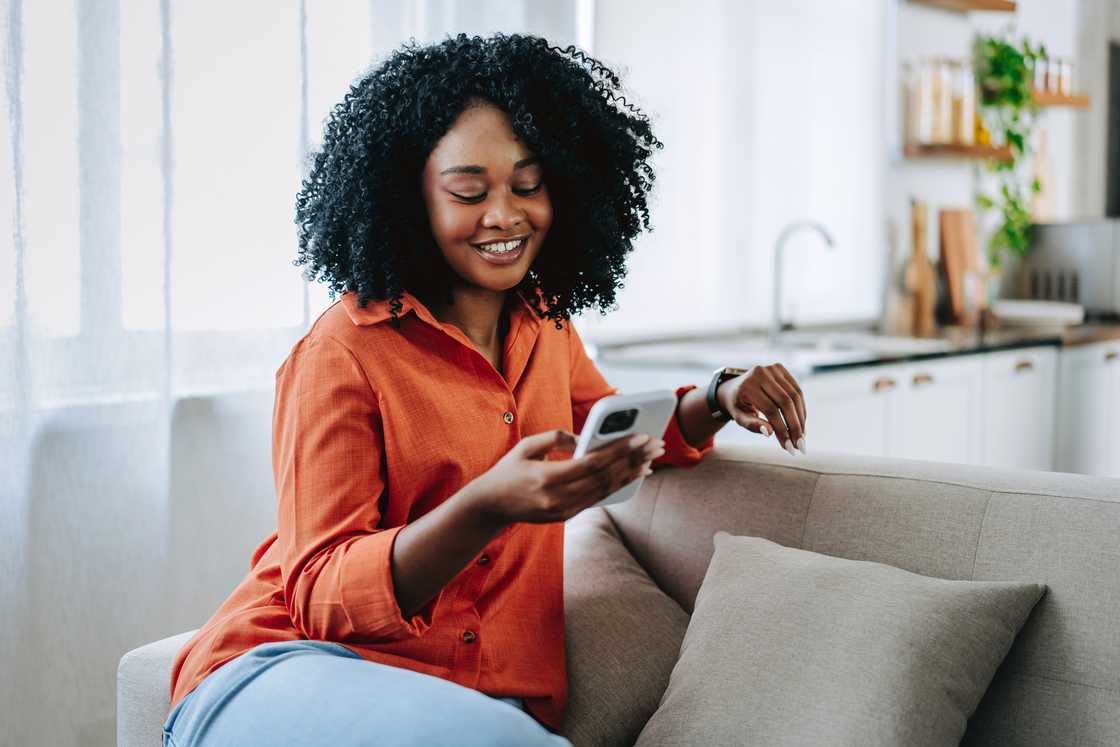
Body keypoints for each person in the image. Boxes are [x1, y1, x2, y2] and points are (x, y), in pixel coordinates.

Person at [163, 32, 807, 746]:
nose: (505, 214)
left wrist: (719, 396)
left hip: (476, 705)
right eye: (470, 191)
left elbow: (620, 429)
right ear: (410, 198)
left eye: (528, 186)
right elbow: (319, 595)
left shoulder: (546, 330)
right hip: (288, 666)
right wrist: (485, 507)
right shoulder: (342, 352)